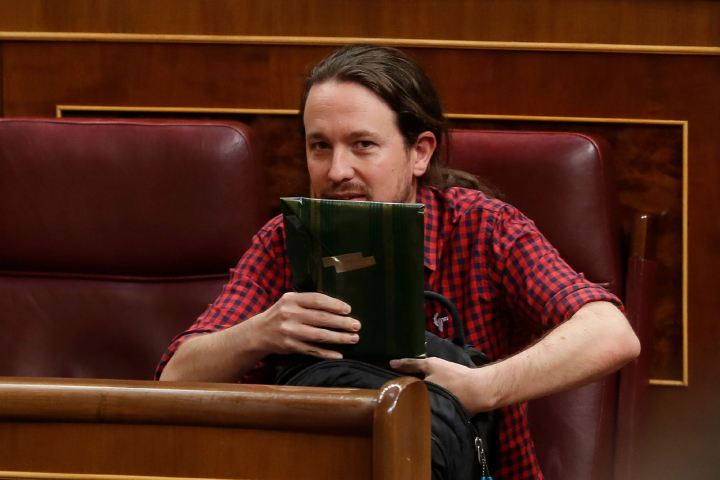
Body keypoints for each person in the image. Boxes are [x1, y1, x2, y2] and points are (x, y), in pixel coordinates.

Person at [157, 44, 640, 479]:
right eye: (320, 146)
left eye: (363, 145)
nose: (337, 170)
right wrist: (258, 332)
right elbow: (175, 378)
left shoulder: (484, 226)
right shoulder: (285, 239)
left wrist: (482, 387)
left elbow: (611, 333)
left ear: (419, 153)